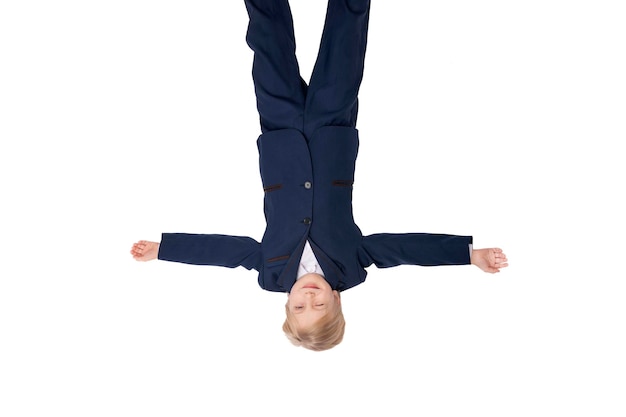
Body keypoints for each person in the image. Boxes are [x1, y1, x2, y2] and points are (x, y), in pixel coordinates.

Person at [130, 0, 508, 351]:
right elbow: (402, 248)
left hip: (280, 133)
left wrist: (164, 249)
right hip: (332, 131)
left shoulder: (269, 269)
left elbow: (223, 252)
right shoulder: (352, 264)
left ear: (286, 305)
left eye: (299, 307)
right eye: (320, 305)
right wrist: (468, 255)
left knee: (268, 43)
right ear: (337, 299)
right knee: (345, 44)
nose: (309, 297)